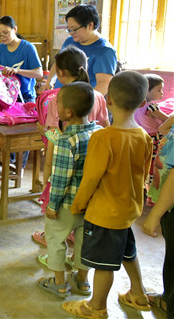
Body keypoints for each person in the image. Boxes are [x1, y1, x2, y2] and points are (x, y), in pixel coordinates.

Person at [63, 71, 153, 318]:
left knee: (103, 264)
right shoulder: (144, 136)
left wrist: (78, 205)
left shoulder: (103, 137)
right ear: (143, 103)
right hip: (128, 210)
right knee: (127, 251)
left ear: (109, 100)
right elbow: (143, 174)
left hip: (104, 213)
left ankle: (96, 307)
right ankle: (138, 293)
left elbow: (91, 178)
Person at [32, 46, 110, 248]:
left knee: (59, 201)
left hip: (64, 161)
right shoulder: (98, 96)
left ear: (61, 73)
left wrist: (42, 130)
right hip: (92, 162)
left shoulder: (58, 98)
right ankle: (78, 236)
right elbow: (104, 129)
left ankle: (56, 235)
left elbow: (55, 136)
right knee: (83, 200)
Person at [36, 82, 102, 299]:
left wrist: (52, 206)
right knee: (85, 242)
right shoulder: (99, 134)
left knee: (56, 241)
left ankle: (60, 284)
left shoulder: (66, 141)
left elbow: (61, 178)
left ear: (67, 113)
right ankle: (82, 282)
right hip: (92, 204)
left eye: (58, 103)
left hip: (66, 205)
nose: (55, 105)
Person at [0, 15, 43, 171]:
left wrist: (17, 71)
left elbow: (39, 73)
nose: (2, 37)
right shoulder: (1, 48)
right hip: (7, 96)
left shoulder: (27, 48)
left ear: (15, 29)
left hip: (26, 96)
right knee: (10, 131)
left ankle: (19, 166)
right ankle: (10, 162)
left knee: (23, 133)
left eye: (5, 33)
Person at [43, 4, 118, 96]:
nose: (71, 33)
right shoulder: (70, 41)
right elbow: (58, 63)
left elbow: (104, 84)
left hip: (80, 103)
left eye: (74, 29)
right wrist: (50, 80)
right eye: (69, 29)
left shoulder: (105, 51)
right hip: (60, 97)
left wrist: (86, 104)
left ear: (90, 25)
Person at [142, 116, 174, 317]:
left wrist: (155, 213)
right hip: (168, 207)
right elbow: (163, 128)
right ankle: (166, 298)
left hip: (170, 206)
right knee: (170, 257)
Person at [134, 74, 169, 202]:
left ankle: (142, 192)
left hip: (139, 137)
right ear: (146, 90)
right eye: (159, 90)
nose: (162, 93)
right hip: (153, 139)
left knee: (143, 165)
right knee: (153, 166)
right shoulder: (151, 107)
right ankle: (151, 196)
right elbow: (167, 120)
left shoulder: (135, 104)